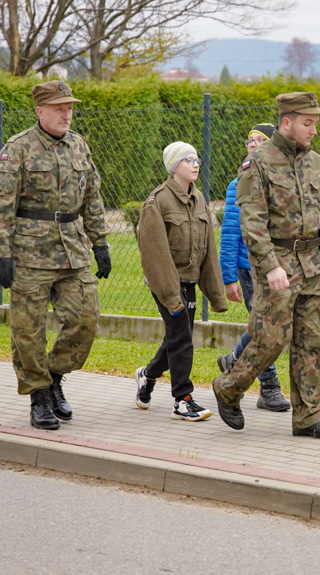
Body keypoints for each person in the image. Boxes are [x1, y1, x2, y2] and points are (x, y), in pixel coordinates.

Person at [212, 92, 320, 439]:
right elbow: (252, 221)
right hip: (277, 265)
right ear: (286, 122)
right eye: (309, 123)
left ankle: (308, 416)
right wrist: (270, 265)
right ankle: (229, 387)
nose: (315, 129)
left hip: (312, 264)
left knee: (312, 340)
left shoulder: (316, 162)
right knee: (271, 338)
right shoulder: (258, 163)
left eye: (316, 122)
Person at [0, 80, 111, 431]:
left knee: (86, 320)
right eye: (59, 108)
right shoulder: (18, 148)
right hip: (29, 253)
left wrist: (100, 242)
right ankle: (38, 395)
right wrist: (1, 251)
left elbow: (94, 196)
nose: (66, 114)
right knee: (28, 330)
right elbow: (1, 204)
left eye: (69, 107)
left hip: (73, 249)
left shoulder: (78, 145)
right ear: (39, 111)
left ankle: (54, 376)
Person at [134, 142, 227, 420]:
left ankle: (148, 376)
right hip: (166, 283)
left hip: (189, 281)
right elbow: (154, 255)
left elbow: (209, 249)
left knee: (178, 337)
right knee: (182, 338)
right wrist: (171, 295)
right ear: (174, 166)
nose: (195, 163)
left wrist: (216, 293)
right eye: (188, 160)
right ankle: (183, 400)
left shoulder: (199, 199)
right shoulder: (158, 201)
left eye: (196, 158)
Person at [216, 123, 290, 412]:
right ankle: (269, 389)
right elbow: (231, 233)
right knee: (263, 328)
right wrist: (228, 276)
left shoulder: (282, 180)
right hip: (250, 269)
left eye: (260, 140)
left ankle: (233, 359)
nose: (253, 144)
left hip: (279, 268)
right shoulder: (238, 185)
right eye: (250, 140)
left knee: (272, 325)